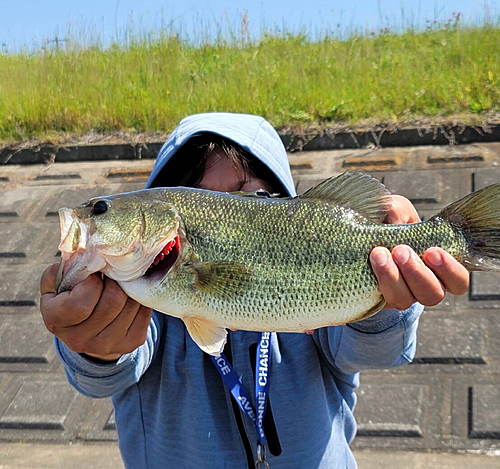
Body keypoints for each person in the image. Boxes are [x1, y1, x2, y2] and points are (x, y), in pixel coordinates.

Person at [40, 113, 469, 469]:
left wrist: (388, 304)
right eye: (199, 197)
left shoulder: (316, 293)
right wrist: (94, 347)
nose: (222, 211)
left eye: (252, 196)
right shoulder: (141, 302)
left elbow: (375, 351)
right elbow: (106, 372)